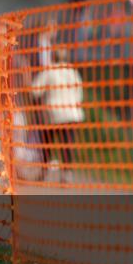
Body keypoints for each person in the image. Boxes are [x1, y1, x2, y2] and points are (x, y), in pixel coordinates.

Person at [31, 48, 85, 183]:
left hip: (53, 114)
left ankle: (44, 171)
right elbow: (80, 94)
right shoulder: (73, 72)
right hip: (73, 114)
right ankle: (67, 174)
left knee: (47, 143)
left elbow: (34, 90)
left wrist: (36, 107)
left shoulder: (50, 70)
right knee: (67, 144)